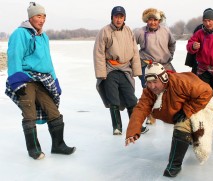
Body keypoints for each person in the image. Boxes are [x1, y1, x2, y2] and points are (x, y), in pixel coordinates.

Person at [5, 2, 76, 160]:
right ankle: (34, 149)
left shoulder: (44, 37)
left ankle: (58, 145)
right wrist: (16, 81)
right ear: (30, 17)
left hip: (42, 80)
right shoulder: (20, 33)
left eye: (44, 16)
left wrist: (55, 81)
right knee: (29, 113)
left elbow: (47, 61)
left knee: (53, 111)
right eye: (38, 16)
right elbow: (14, 56)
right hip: (25, 79)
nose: (42, 19)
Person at [125, 63, 213, 177]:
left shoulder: (180, 82)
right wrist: (132, 131)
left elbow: (206, 91)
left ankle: (174, 165)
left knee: (182, 127)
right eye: (149, 82)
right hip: (181, 110)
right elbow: (141, 108)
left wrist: (187, 110)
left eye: (155, 82)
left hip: (201, 105)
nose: (152, 86)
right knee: (182, 124)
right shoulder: (149, 92)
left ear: (164, 78)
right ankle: (187, 138)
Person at [93, 6, 148, 135]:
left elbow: (135, 51)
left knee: (131, 99)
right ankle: (117, 127)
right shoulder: (104, 31)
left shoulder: (129, 31)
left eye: (121, 17)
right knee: (113, 99)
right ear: (112, 17)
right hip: (110, 69)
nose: (118, 19)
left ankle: (136, 126)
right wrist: (101, 74)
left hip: (125, 69)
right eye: (116, 17)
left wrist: (136, 71)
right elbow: (99, 53)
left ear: (124, 18)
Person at [134, 8, 176, 124]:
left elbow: (172, 44)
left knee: (173, 86)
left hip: (165, 63)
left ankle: (170, 112)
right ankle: (150, 115)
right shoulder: (140, 32)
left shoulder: (166, 31)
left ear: (159, 20)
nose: (153, 22)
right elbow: (130, 45)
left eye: (155, 20)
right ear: (146, 20)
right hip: (148, 65)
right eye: (150, 19)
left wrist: (170, 55)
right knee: (150, 89)